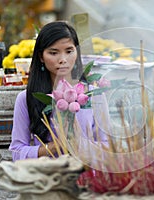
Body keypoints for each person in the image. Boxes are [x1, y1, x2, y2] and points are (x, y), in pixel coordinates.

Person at [9, 21, 109, 161]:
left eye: (69, 51)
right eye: (53, 53)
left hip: (86, 177)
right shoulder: (26, 98)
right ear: (41, 57)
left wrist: (79, 144)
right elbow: (17, 152)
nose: (63, 59)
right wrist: (54, 147)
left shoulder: (94, 95)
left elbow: (108, 147)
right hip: (47, 178)